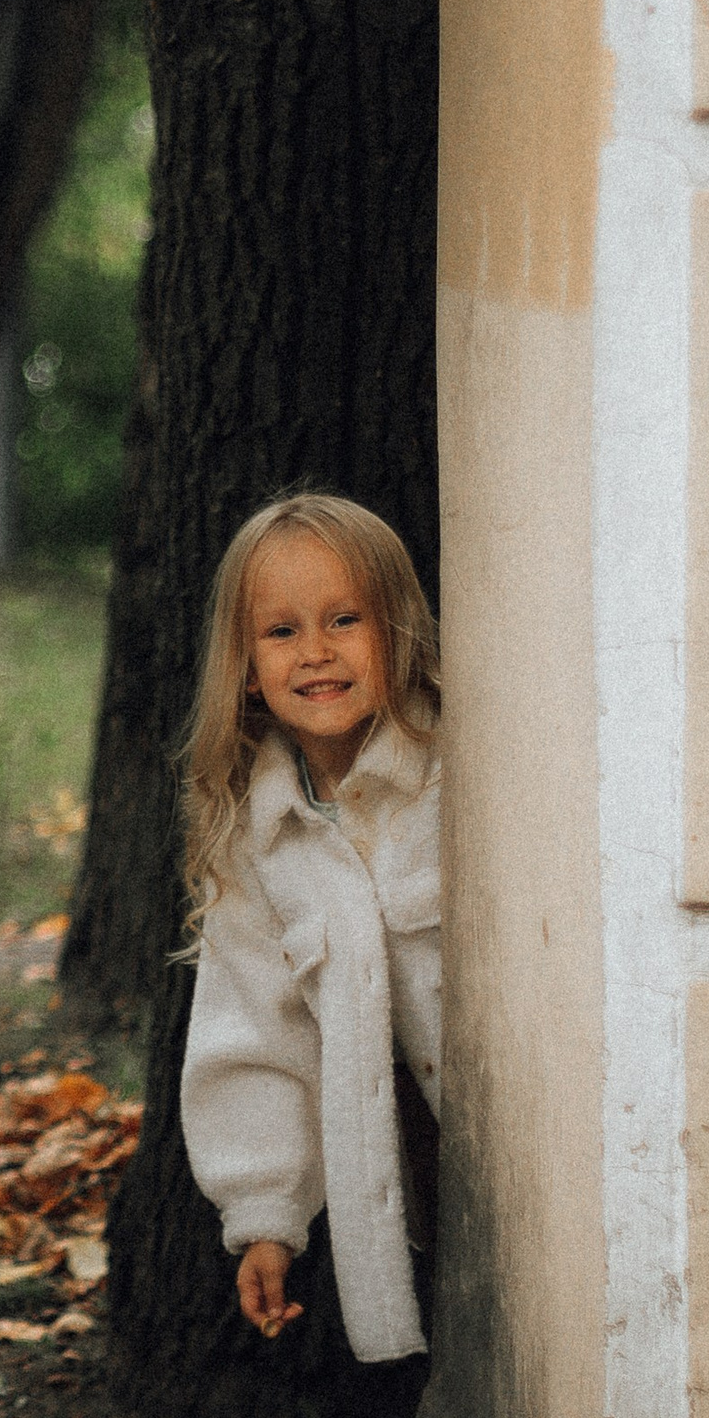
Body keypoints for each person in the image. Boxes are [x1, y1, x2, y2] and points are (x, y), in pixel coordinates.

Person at [175, 490, 443, 1366]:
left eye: (344, 619)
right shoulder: (261, 839)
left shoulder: (462, 781)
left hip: (537, 1140)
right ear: (247, 666)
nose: (317, 652)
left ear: (397, 630)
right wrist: (264, 1215)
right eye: (282, 631)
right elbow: (253, 1029)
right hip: (425, 1177)